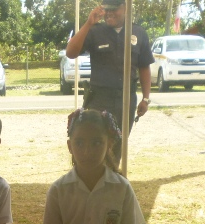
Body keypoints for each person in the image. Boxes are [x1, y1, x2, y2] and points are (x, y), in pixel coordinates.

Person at [65, 0, 153, 164]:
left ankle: (111, 176)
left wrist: (146, 98)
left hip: (126, 99)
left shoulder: (138, 33)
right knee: (96, 143)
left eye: (114, 9)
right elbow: (70, 52)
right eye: (106, 9)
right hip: (100, 99)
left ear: (125, 8)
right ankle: (92, 175)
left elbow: (144, 67)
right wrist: (88, 23)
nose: (109, 13)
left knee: (118, 145)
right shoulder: (95, 31)